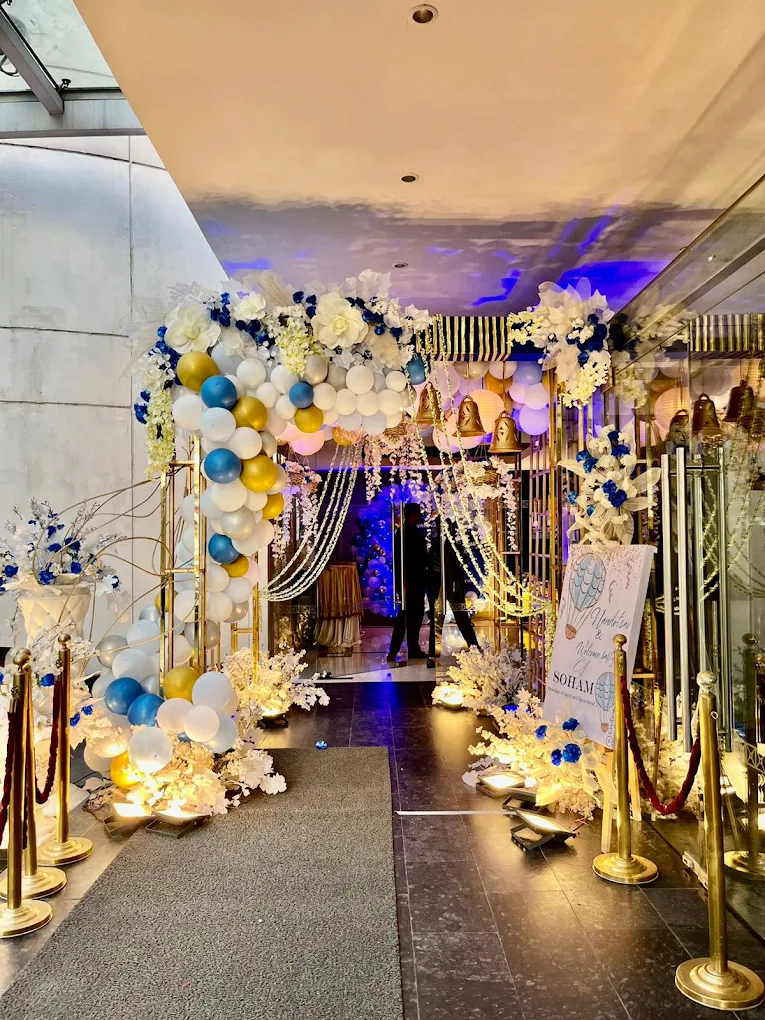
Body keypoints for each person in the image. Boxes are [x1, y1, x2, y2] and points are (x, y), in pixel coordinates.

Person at [426, 520, 479, 665]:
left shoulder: (437, 542)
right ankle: (474, 648)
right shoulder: (450, 542)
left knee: (443, 619)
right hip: (449, 585)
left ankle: (433, 654)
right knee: (457, 618)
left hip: (444, 585)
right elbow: (463, 559)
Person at [387, 503, 428, 662]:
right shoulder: (405, 533)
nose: (421, 516)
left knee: (413, 616)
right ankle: (394, 651)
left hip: (414, 580)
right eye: (418, 513)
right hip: (410, 581)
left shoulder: (409, 531)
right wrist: (404, 582)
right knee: (406, 616)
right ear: (412, 515)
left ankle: (411, 648)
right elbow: (404, 560)